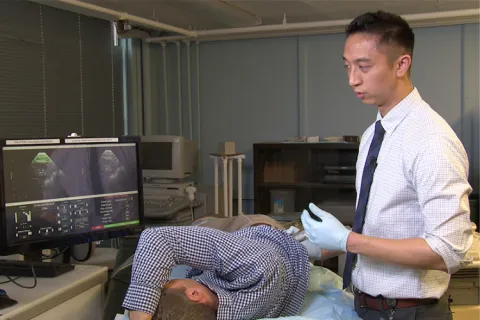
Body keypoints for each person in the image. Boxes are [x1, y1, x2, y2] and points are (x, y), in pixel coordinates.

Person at [301, 10, 473, 320]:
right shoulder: (372, 136)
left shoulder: (432, 140)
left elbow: (448, 250)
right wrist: (327, 243)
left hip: (410, 312)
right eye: (348, 66)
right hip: (367, 305)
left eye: (364, 66)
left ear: (401, 64)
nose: (352, 79)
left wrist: (347, 240)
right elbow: (387, 224)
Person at [122, 214, 317, 320]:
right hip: (257, 232)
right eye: (167, 283)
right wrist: (141, 307)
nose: (166, 279)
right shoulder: (257, 269)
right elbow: (156, 239)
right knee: (201, 223)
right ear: (194, 294)